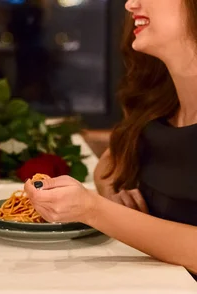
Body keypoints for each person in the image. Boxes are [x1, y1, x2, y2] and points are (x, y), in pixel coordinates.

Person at [24, 0, 197, 280]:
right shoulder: (159, 109)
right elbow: (108, 165)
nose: (131, 3)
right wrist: (108, 186)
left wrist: (93, 210)